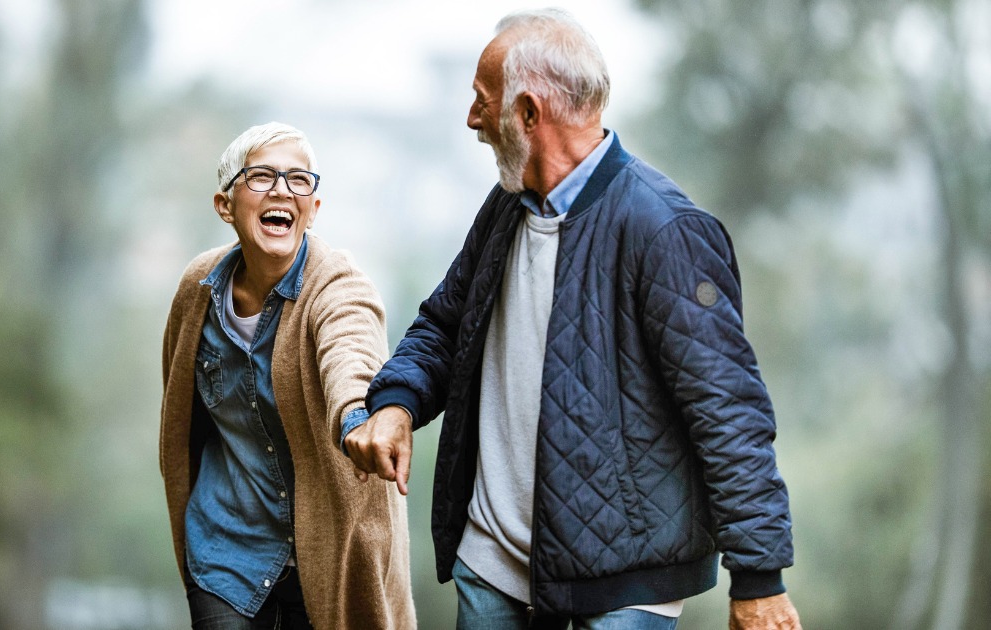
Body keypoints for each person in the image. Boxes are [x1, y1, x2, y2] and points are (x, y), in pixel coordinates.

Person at [343, 9, 801, 630]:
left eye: (483, 101)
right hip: (491, 567)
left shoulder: (664, 230)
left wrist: (759, 580)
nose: (472, 118)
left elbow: (728, 413)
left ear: (529, 113)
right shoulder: (505, 207)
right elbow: (446, 326)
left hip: (622, 588)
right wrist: (395, 404)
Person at [159, 122, 416, 629]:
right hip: (224, 555)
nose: (282, 190)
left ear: (313, 209)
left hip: (325, 561)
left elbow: (351, 353)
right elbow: (180, 415)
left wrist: (356, 419)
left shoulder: (337, 284)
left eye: (299, 180)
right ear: (225, 204)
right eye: (261, 176)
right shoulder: (198, 291)